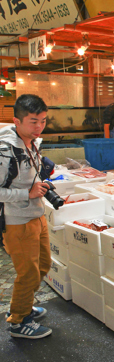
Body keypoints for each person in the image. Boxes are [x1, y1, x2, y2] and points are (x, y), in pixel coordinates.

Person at [0, 94, 53, 339]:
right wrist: (27, 192)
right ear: (17, 121)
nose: (39, 127)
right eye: (33, 121)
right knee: (28, 273)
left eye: (42, 120)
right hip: (16, 221)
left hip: (36, 215)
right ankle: (18, 321)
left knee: (43, 266)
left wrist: (42, 184)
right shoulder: (5, 149)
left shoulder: (32, 142)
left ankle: (25, 305)